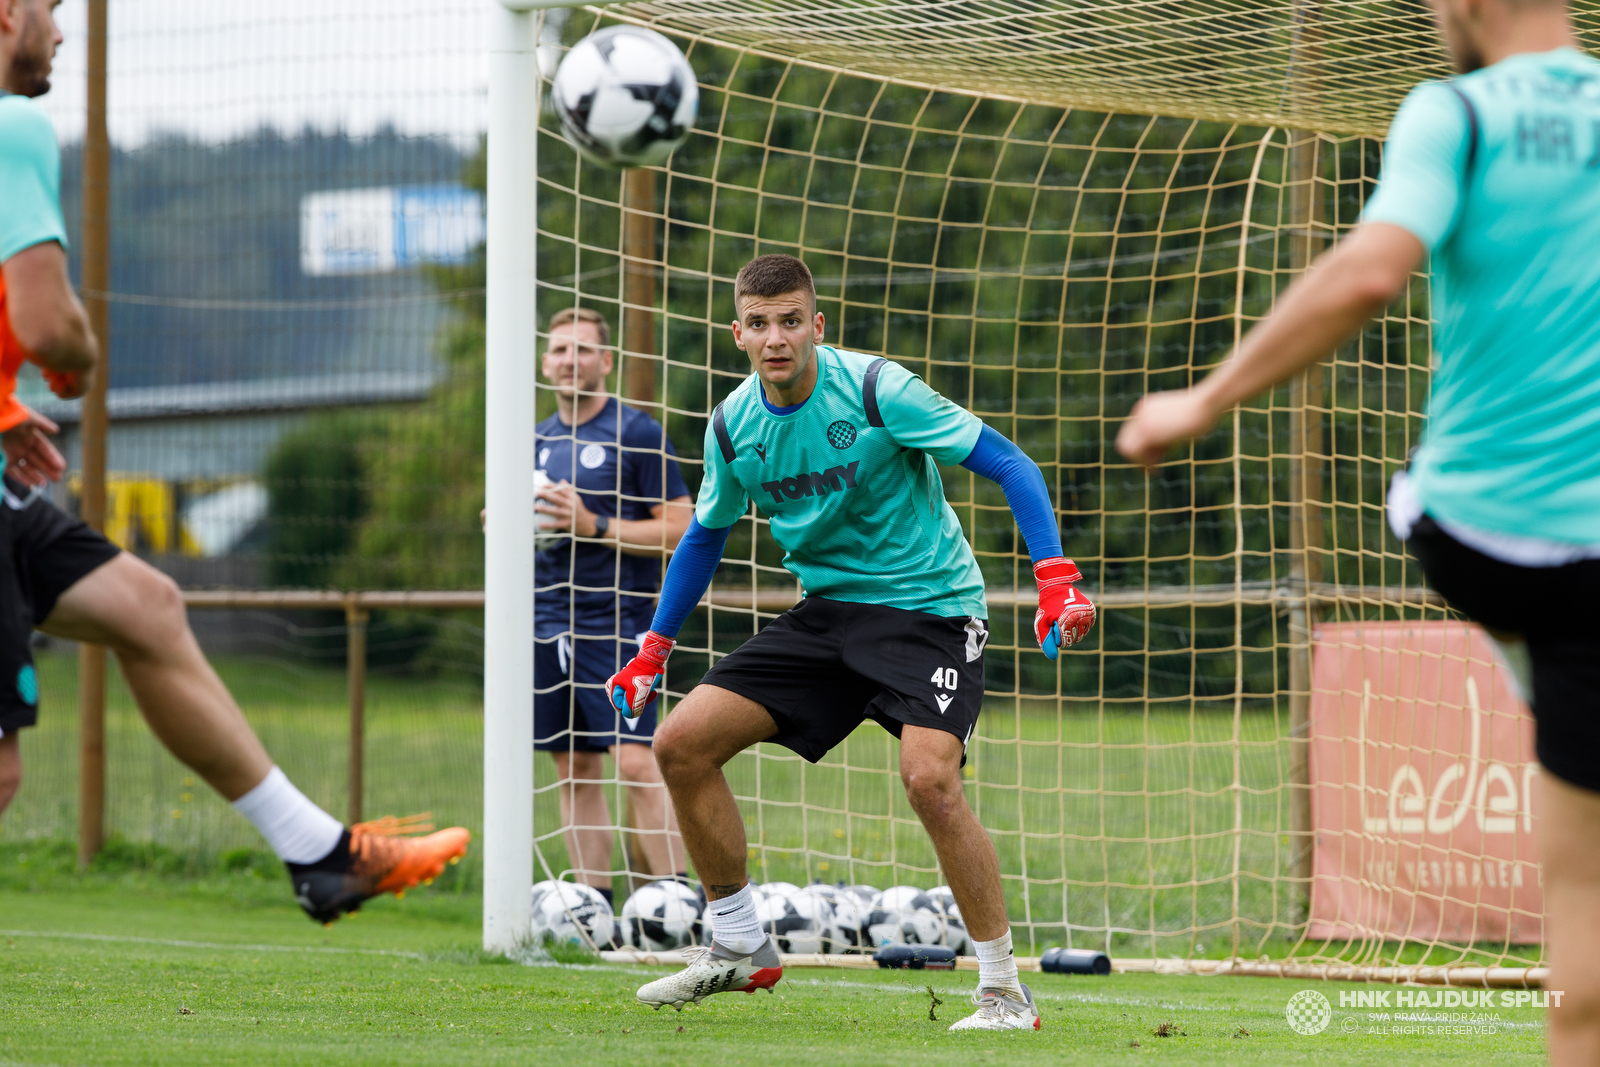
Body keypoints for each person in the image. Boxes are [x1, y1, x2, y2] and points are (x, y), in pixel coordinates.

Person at [1116, 1, 1600, 1061]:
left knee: (1582, 954)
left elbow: (1373, 266)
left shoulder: (1454, 113)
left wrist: (1200, 401)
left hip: (1496, 540)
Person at [0, 0, 467, 924]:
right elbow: (52, 325)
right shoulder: (12, 125)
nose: (62, 34)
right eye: (53, 13)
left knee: (146, 605)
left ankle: (319, 855)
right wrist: (75, 356)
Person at [605, 254, 1096, 1030]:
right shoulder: (733, 425)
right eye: (760, 324)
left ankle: (1004, 989)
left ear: (816, 325)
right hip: (828, 613)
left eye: (791, 320)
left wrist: (1056, 577)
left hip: (930, 609)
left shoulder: (877, 388)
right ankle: (737, 942)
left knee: (928, 780)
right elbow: (703, 536)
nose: (777, 338)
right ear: (738, 334)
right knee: (680, 743)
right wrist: (653, 650)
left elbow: (1009, 461)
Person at [532, 308, 691, 906]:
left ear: (606, 361)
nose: (569, 360)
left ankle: (679, 903)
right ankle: (590, 907)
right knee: (573, 768)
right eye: (559, 350)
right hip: (546, 625)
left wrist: (593, 524)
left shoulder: (637, 433)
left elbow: (680, 527)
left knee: (636, 764)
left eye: (582, 350)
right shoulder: (535, 440)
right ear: (546, 363)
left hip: (618, 625)